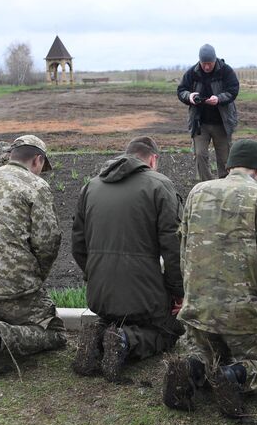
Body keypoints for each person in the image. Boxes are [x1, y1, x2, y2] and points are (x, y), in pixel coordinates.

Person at [162, 139, 257, 418]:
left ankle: (192, 368)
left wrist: (189, 296)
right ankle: (235, 377)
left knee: (206, 353)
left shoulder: (198, 191)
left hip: (200, 309)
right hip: (243, 314)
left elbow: (184, 250)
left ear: (229, 165)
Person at [70, 136, 184, 382]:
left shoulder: (91, 186)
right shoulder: (160, 185)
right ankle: (126, 340)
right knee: (170, 329)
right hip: (143, 297)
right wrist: (178, 292)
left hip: (100, 294)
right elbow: (173, 248)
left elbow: (78, 244)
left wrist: (94, 274)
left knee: (115, 316)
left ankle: (100, 334)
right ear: (153, 159)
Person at [0, 135, 66, 380]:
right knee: (55, 332)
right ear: (38, 160)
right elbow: (48, 241)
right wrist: (36, 276)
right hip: (16, 285)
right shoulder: (34, 185)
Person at [177, 43, 239, 181]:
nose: (206, 67)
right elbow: (181, 91)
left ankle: (224, 185)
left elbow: (233, 90)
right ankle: (207, 185)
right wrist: (190, 96)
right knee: (200, 155)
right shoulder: (192, 73)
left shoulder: (226, 71)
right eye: (203, 63)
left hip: (222, 123)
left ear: (215, 59)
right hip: (200, 123)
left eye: (209, 63)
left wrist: (218, 99)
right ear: (199, 61)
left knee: (225, 158)